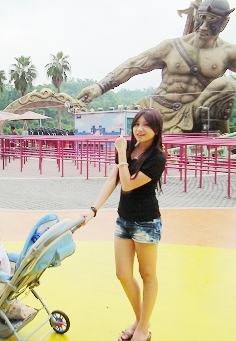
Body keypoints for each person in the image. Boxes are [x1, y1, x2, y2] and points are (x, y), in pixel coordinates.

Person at [78, 0, 236, 134]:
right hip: (157, 107)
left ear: (223, 23)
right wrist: (99, 87)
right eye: (201, 19)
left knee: (226, 85)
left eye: (211, 22)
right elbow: (134, 65)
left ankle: (210, 142)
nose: (203, 27)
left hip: (195, 112)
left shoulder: (228, 52)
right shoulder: (171, 46)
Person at [81, 108, 166, 341]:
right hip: (124, 220)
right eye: (137, 124)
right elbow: (113, 179)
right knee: (123, 274)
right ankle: (141, 321)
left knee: (147, 275)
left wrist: (121, 154)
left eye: (146, 125)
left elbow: (127, 184)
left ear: (156, 129)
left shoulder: (157, 157)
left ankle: (142, 329)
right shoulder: (129, 149)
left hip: (146, 222)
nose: (139, 129)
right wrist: (93, 209)